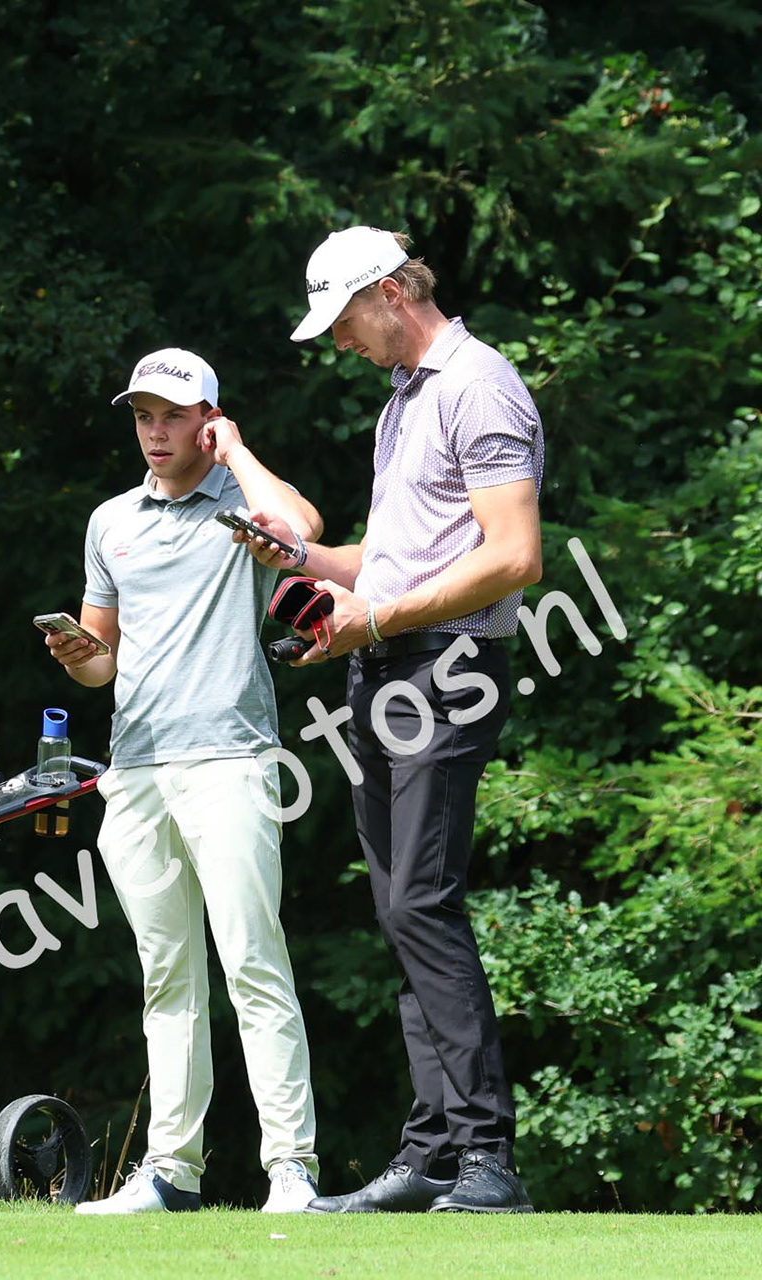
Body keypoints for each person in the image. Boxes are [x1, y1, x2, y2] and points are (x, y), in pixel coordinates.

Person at [246, 227, 543, 1213]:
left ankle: (487, 1158)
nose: (339, 344)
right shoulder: (405, 401)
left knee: (421, 899)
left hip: (450, 668)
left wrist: (372, 614)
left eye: (343, 321)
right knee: (401, 907)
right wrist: (302, 560)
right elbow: (396, 555)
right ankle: (432, 1153)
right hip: (385, 666)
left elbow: (513, 556)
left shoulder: (479, 385)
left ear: (389, 291)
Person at [49, 348, 326, 1214]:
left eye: (173, 416)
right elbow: (104, 659)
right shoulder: (110, 521)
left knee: (252, 962)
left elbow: (304, 535)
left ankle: (292, 1170)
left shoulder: (243, 505)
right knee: (166, 976)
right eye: (143, 416)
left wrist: (237, 450)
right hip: (134, 771)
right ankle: (173, 1171)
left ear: (207, 418)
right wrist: (79, 656)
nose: (156, 432)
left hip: (231, 760)